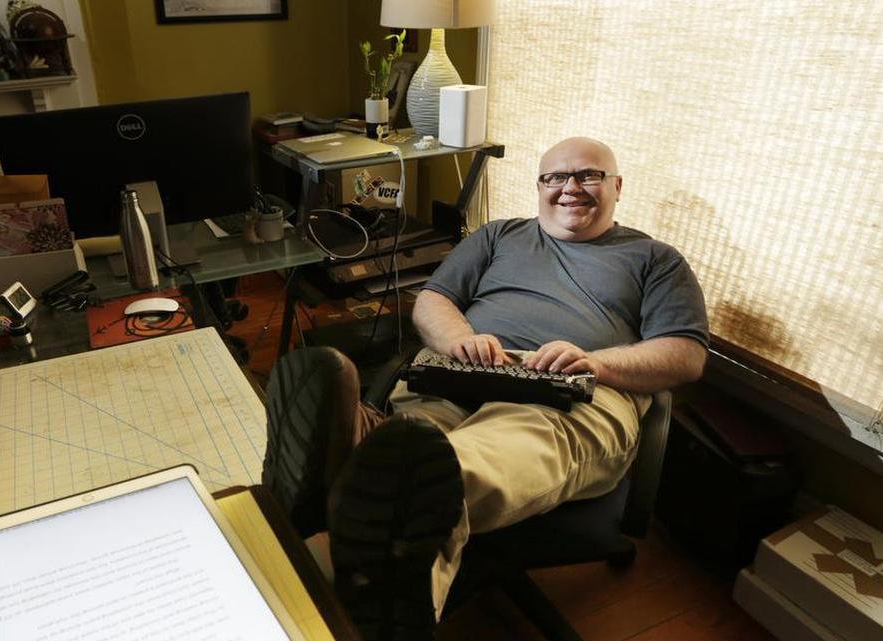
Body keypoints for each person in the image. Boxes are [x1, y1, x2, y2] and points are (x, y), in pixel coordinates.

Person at [261, 137, 709, 641]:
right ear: (539, 186)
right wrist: (459, 339)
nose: (570, 188)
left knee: (461, 456)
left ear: (617, 186)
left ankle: (345, 470)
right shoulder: (499, 236)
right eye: (555, 177)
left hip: (572, 390)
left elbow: (685, 354)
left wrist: (595, 363)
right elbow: (434, 299)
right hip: (462, 370)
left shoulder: (655, 259)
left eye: (588, 175)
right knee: (417, 435)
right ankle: (374, 475)